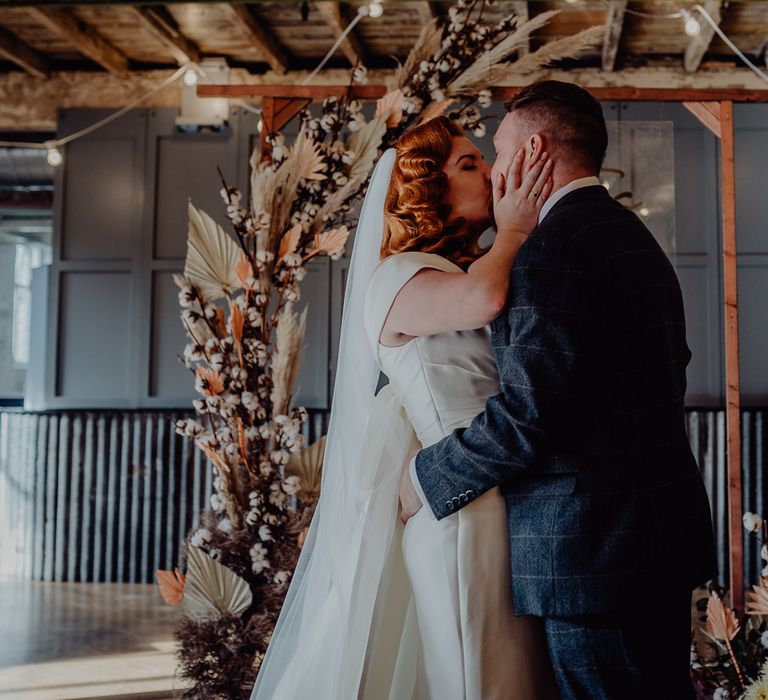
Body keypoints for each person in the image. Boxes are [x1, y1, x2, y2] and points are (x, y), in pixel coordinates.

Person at [399, 80, 718, 700]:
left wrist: (426, 478)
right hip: (648, 539)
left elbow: (528, 414)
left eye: (499, 149)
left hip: (593, 554)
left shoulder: (553, 249)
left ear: (535, 148)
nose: (493, 168)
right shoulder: (632, 235)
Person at [250, 113, 558, 699]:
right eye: (469, 164)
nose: (491, 172)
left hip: (496, 493)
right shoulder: (397, 276)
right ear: (427, 188)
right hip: (464, 511)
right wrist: (515, 231)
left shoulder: (452, 267)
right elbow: (484, 298)